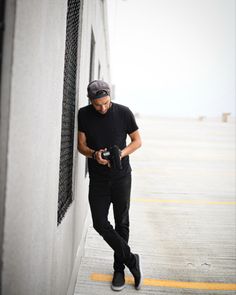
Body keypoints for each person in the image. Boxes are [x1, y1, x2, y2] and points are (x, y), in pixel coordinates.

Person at [77, 80, 142, 291]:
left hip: (122, 177)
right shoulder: (83, 114)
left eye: (106, 103)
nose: (103, 108)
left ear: (110, 97)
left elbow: (137, 141)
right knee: (99, 222)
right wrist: (94, 155)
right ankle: (131, 259)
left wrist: (120, 154)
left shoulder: (124, 112)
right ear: (90, 101)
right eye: (98, 105)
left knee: (122, 223)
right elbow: (81, 146)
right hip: (99, 180)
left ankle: (119, 269)